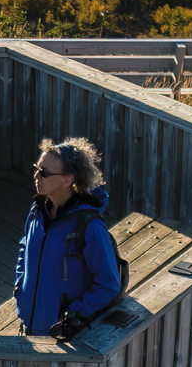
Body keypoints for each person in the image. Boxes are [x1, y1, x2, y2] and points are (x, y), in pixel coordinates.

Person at [15, 137, 123, 340]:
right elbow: (24, 248)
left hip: (63, 338)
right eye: (36, 169)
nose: (36, 176)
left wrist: (75, 313)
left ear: (68, 180)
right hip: (29, 328)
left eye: (44, 173)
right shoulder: (38, 210)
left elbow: (108, 284)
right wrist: (20, 289)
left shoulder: (90, 226)